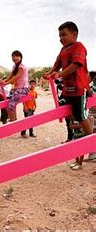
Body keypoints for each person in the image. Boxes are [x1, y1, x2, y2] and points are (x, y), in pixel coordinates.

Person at [44, 21, 92, 169]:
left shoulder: (79, 47)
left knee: (81, 115)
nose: (61, 38)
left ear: (74, 34)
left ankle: (92, 142)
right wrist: (51, 73)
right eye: (59, 35)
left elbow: (76, 64)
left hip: (79, 88)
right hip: (68, 89)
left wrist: (59, 74)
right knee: (72, 119)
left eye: (64, 34)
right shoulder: (63, 50)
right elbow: (56, 65)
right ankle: (78, 154)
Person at [0, 50, 29, 122]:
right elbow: (10, 76)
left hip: (23, 89)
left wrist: (6, 83)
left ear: (21, 57)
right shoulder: (14, 66)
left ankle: (13, 121)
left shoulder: (22, 67)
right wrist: (4, 81)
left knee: (10, 105)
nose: (15, 57)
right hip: (16, 89)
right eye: (13, 56)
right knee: (7, 103)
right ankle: (14, 119)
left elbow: (16, 77)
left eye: (17, 56)